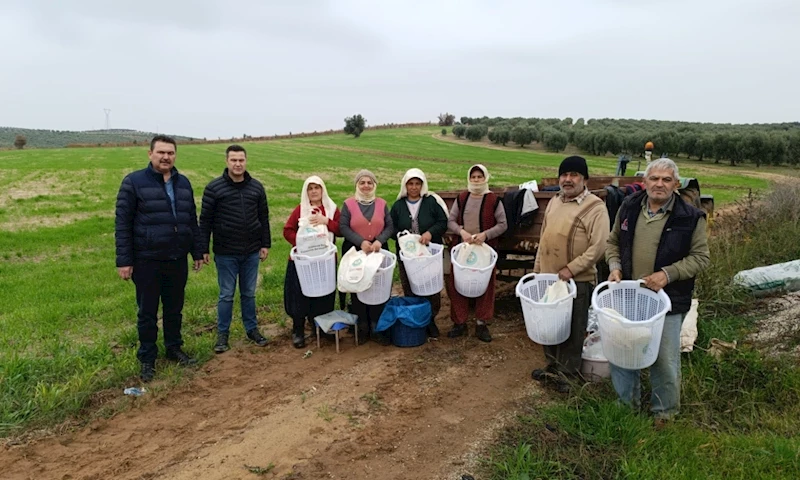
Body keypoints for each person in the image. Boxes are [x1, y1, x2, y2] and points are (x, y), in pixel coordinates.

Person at [606, 157, 710, 423]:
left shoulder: (690, 217)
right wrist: (615, 266)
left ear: (676, 184)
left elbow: (700, 258)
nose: (659, 184)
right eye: (654, 178)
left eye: (666, 180)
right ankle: (626, 406)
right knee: (624, 351)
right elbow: (613, 242)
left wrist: (667, 275)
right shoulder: (629, 206)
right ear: (644, 182)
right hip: (628, 296)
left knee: (663, 359)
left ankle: (664, 413)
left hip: (668, 300)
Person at [115, 135, 203, 382]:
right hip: (147, 260)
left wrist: (196, 251)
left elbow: (190, 220)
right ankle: (147, 359)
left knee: (175, 309)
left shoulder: (183, 183)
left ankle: (174, 349)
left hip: (176, 258)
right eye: (161, 152)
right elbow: (122, 224)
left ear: (175, 155)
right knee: (148, 312)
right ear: (150, 154)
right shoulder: (133, 182)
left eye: (170, 153)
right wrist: (124, 260)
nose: (166, 157)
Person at [531, 156, 610, 392]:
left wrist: (571, 269)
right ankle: (552, 367)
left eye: (574, 175)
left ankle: (568, 376)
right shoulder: (555, 201)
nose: (568, 180)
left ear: (584, 179)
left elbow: (599, 247)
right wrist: (537, 271)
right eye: (564, 175)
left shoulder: (595, 207)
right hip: (549, 279)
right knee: (550, 326)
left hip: (577, 281)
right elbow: (544, 238)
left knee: (573, 329)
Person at [199, 145, 271, 354]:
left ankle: (252, 329)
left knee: (249, 293)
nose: (238, 164)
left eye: (241, 160)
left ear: (246, 161)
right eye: (233, 160)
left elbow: (263, 217)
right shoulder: (214, 189)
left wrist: (265, 244)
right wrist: (203, 248)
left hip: (251, 251)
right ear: (226, 161)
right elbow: (205, 221)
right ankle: (223, 334)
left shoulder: (256, 188)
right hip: (225, 252)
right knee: (227, 295)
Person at [446, 164, 508, 342]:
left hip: (484, 250)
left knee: (486, 285)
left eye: (479, 177)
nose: (476, 180)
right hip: (463, 249)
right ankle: (459, 323)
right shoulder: (462, 198)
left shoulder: (493, 200)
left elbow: (503, 224)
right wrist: (461, 232)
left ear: (486, 178)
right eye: (473, 177)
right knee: (458, 284)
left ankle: (482, 323)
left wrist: (485, 235)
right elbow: (450, 221)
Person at [390, 168, 449, 339]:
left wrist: (430, 233)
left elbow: (442, 222)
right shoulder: (399, 205)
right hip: (408, 257)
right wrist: (402, 237)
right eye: (410, 184)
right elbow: (391, 227)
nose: (414, 187)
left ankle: (430, 319)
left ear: (422, 185)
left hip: (428, 254)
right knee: (411, 286)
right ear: (405, 185)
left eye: (417, 184)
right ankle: (416, 319)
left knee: (431, 286)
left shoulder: (430, 202)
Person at [283, 176, 341, 348]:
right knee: (300, 296)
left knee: (324, 296)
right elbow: (287, 231)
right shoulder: (301, 210)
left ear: (323, 190)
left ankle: (322, 327)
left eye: (317, 187)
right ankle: (298, 330)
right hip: (303, 261)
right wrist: (303, 243)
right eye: (310, 188)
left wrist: (326, 222)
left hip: (325, 261)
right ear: (306, 192)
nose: (314, 191)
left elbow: (341, 229)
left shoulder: (331, 209)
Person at [339, 170, 395, 344]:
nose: (366, 186)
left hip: (378, 251)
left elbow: (390, 226)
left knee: (377, 287)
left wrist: (380, 240)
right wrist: (361, 241)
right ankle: (362, 327)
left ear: (374, 185)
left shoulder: (382, 204)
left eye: (369, 182)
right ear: (357, 185)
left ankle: (377, 326)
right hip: (356, 250)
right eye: (362, 182)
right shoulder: (348, 204)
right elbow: (343, 227)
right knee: (358, 287)